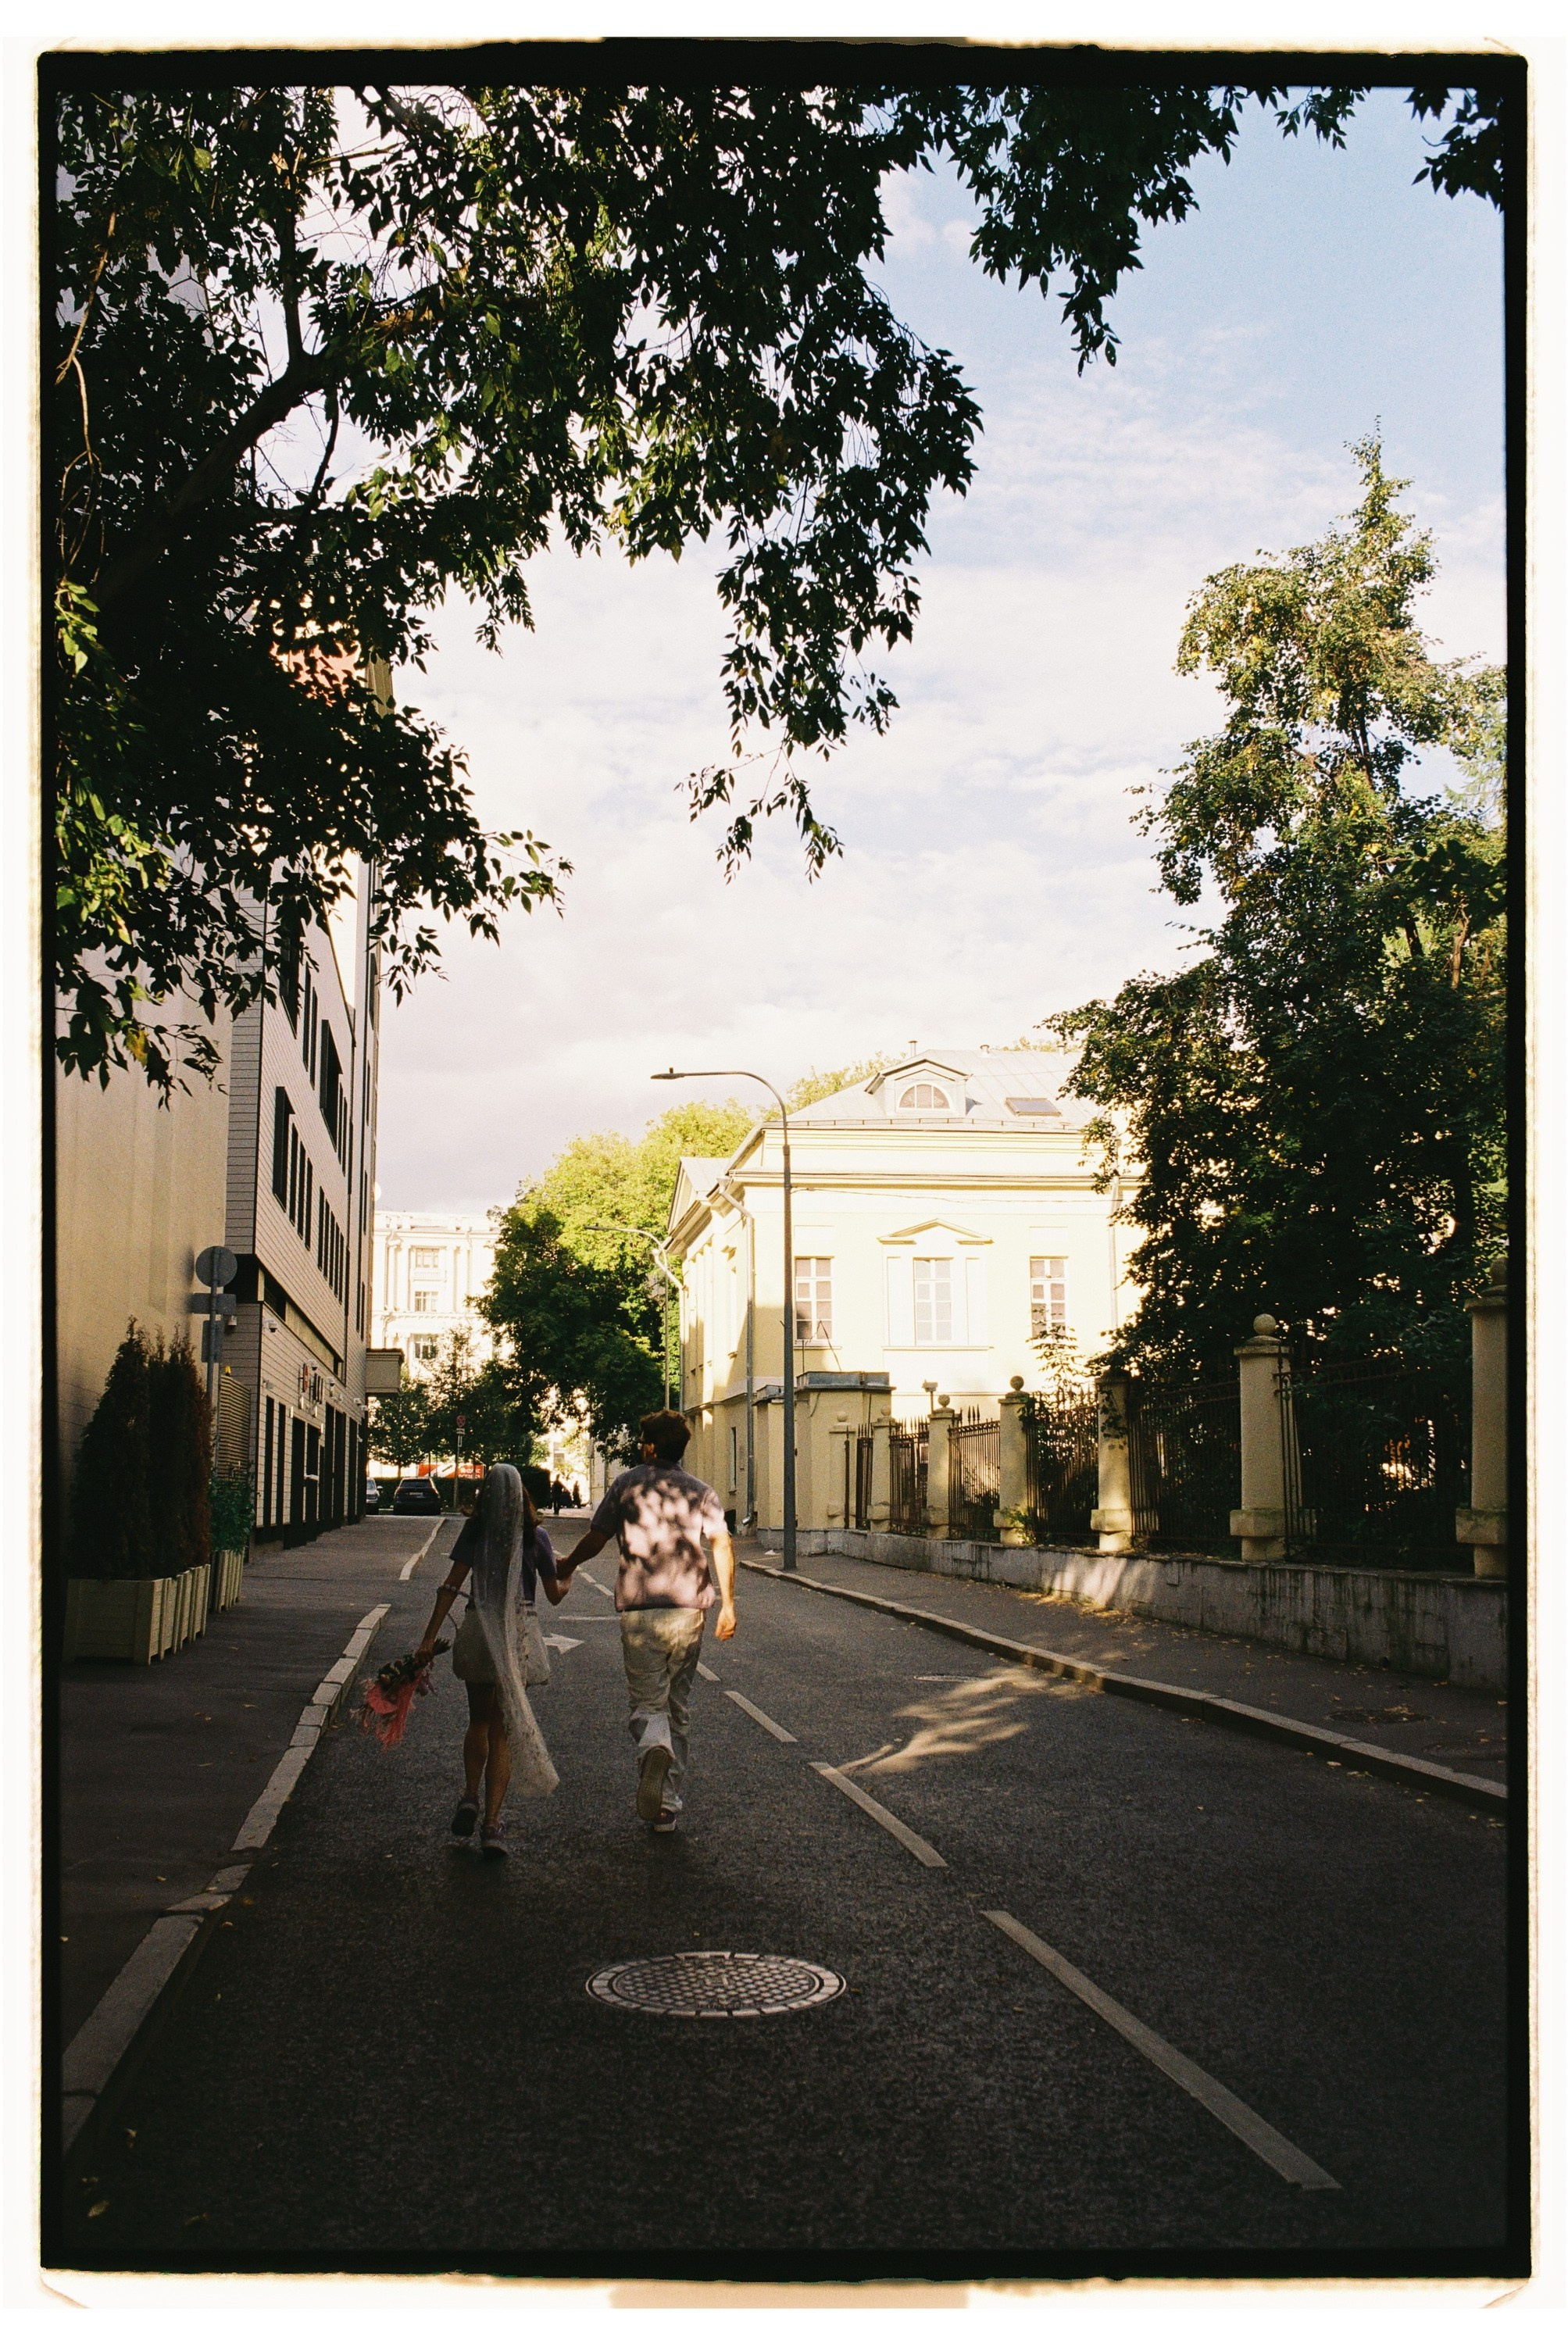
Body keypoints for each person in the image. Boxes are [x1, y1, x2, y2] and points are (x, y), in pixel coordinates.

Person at [555, 1409, 735, 1835]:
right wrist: (728, 1604)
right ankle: (668, 1805)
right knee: (678, 1704)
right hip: (689, 1611)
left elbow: (597, 1538)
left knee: (647, 1704)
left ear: (651, 1447)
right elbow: (722, 1543)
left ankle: (655, 1748)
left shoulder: (626, 1485)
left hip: (640, 1612)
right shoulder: (701, 1491)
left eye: (642, 1441)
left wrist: (567, 1565)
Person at [413, 1461, 567, 1859]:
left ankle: (469, 1796)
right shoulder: (537, 1536)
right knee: (502, 1731)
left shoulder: (476, 1532)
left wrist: (428, 1639)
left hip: (480, 1628)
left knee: (478, 1721)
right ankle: (493, 1824)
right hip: (519, 1634)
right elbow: (554, 1594)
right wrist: (568, 1573)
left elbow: (450, 1586)